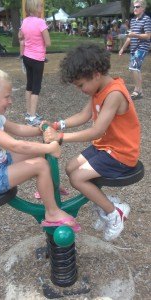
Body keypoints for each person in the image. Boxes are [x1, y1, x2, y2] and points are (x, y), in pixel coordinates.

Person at [0, 62, 80, 233]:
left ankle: (46, 188)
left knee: (39, 153)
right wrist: (49, 148)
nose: (10, 101)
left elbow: (19, 129)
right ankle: (52, 213)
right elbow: (15, 145)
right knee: (40, 163)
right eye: (7, 97)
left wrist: (40, 129)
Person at [42, 43, 141, 241]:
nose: (80, 90)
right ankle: (105, 203)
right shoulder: (98, 89)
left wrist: (60, 138)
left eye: (80, 85)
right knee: (70, 168)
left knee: (77, 178)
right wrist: (57, 124)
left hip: (121, 153)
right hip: (105, 147)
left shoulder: (114, 93)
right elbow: (84, 115)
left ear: (95, 74)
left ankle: (114, 214)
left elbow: (97, 130)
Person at [19, 0, 51, 126]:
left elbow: (20, 36)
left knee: (29, 85)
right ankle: (32, 118)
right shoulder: (40, 22)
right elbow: (48, 42)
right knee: (36, 88)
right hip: (37, 58)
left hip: (27, 56)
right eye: (41, 7)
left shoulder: (25, 21)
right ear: (35, 8)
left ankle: (29, 113)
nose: (41, 9)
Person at [119, 0, 151, 100]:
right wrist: (122, 48)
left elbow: (148, 36)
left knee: (134, 68)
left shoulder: (146, 19)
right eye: (134, 7)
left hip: (142, 47)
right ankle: (139, 90)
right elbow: (129, 37)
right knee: (136, 69)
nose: (135, 9)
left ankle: (137, 91)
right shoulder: (133, 20)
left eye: (137, 7)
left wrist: (134, 35)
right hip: (134, 48)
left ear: (143, 8)